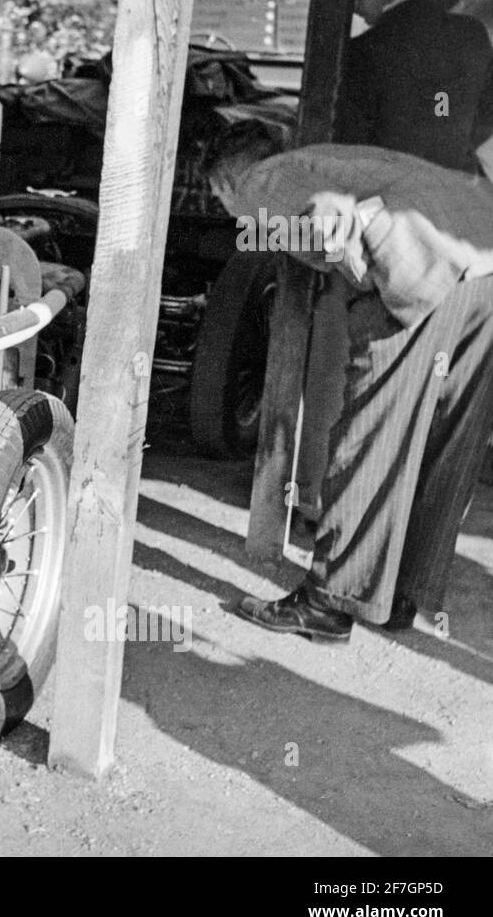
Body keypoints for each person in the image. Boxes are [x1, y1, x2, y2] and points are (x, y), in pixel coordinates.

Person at [205, 126, 493, 642]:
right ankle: (399, 596)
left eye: (219, 200)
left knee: (369, 438)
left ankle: (328, 601)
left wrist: (354, 274)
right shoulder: (335, 159)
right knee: (444, 443)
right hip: (483, 263)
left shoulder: (261, 180)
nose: (229, 213)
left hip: (421, 267)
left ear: (225, 179)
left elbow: (323, 220)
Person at [336, 0, 493, 174]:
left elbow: (348, 147)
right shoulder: (472, 33)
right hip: (458, 185)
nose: (351, 2)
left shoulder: (363, 51)